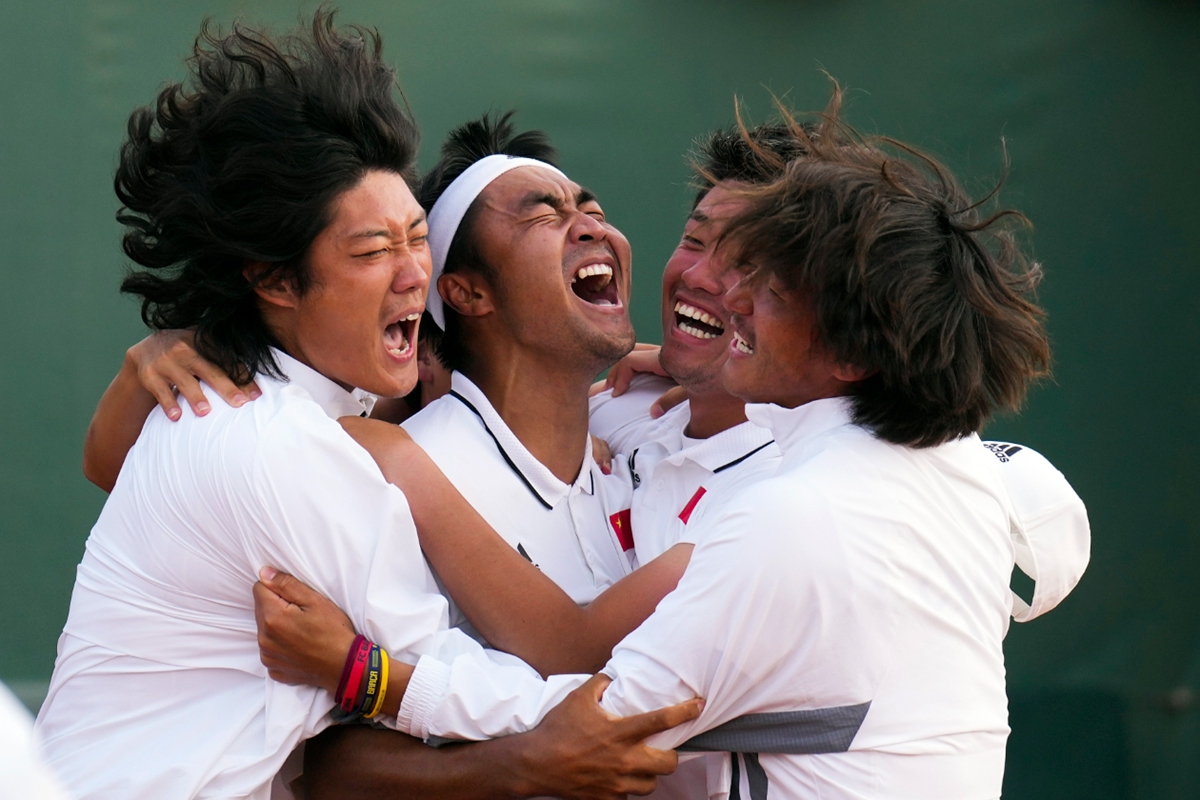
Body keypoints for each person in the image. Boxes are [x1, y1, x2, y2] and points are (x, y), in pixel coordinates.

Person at [251, 86, 1081, 799]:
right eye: (701, 241)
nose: (737, 293)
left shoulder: (788, 514)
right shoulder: (636, 422)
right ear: (465, 292)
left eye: (773, 282)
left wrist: (372, 676)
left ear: (854, 354)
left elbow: (590, 718)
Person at [36, 14, 697, 800]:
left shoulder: (330, 411)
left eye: (414, 239)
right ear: (276, 282)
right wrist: (648, 703)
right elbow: (448, 679)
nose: (411, 271)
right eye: (371, 251)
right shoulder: (294, 444)